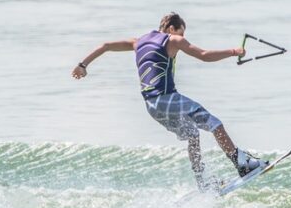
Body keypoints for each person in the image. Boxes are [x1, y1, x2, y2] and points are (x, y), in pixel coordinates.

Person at [71, 12, 268, 191]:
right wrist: (234, 51)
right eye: (181, 33)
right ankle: (242, 164)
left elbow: (105, 46)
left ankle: (203, 182)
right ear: (170, 28)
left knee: (192, 135)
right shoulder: (172, 39)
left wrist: (82, 65)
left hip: (152, 107)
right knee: (215, 124)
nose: (182, 39)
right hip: (168, 99)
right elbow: (204, 56)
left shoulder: (137, 42)